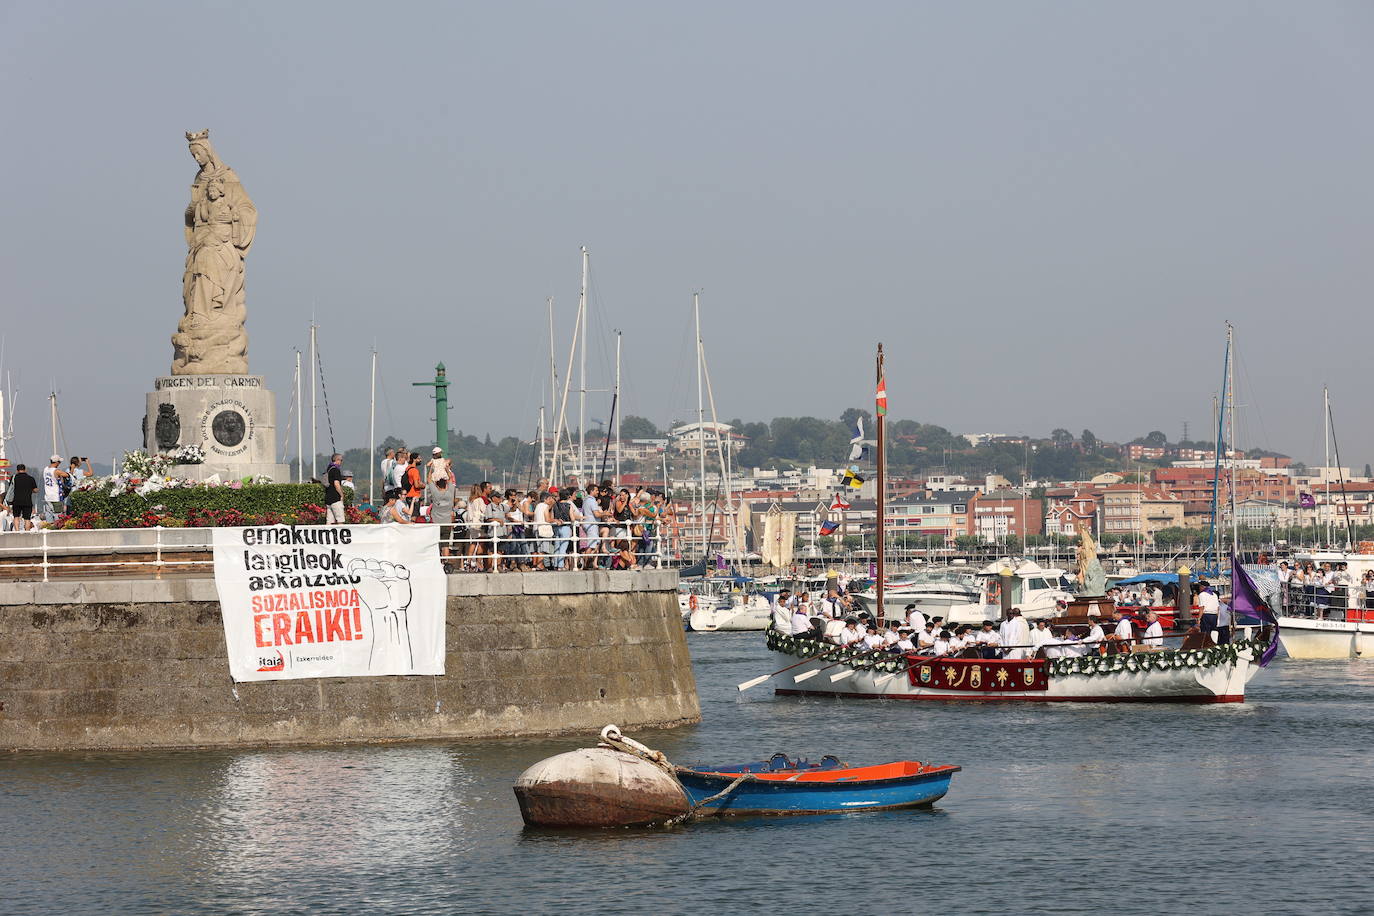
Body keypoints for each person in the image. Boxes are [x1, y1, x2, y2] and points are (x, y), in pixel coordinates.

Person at [428, 476, 456, 560]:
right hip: (447, 523)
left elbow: (429, 479)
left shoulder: (435, 493)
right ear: (446, 484)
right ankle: (446, 561)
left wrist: (431, 470)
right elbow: (451, 479)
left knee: (436, 544)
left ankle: (438, 561)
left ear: (437, 485)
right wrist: (447, 470)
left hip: (436, 523)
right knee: (445, 545)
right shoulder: (450, 493)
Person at [7, 464, 38, 531]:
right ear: (25, 469)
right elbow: (35, 490)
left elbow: (11, 488)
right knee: (27, 518)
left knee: (16, 517)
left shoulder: (14, 478)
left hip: (16, 501)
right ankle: (27, 532)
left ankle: (17, 531)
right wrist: (30, 490)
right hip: (27, 501)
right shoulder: (31, 478)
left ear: (17, 470)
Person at [41, 455, 68, 523]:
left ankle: (49, 526)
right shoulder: (56, 471)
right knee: (58, 515)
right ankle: (57, 527)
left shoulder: (45, 469)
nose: (59, 464)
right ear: (57, 462)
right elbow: (66, 475)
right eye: (59, 462)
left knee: (48, 514)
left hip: (47, 496)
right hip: (55, 496)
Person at [323, 453, 346, 524]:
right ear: (337, 460)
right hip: (335, 498)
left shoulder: (329, 469)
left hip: (328, 497)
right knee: (340, 520)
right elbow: (336, 484)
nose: (341, 462)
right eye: (341, 460)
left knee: (329, 521)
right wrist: (341, 494)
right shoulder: (336, 470)